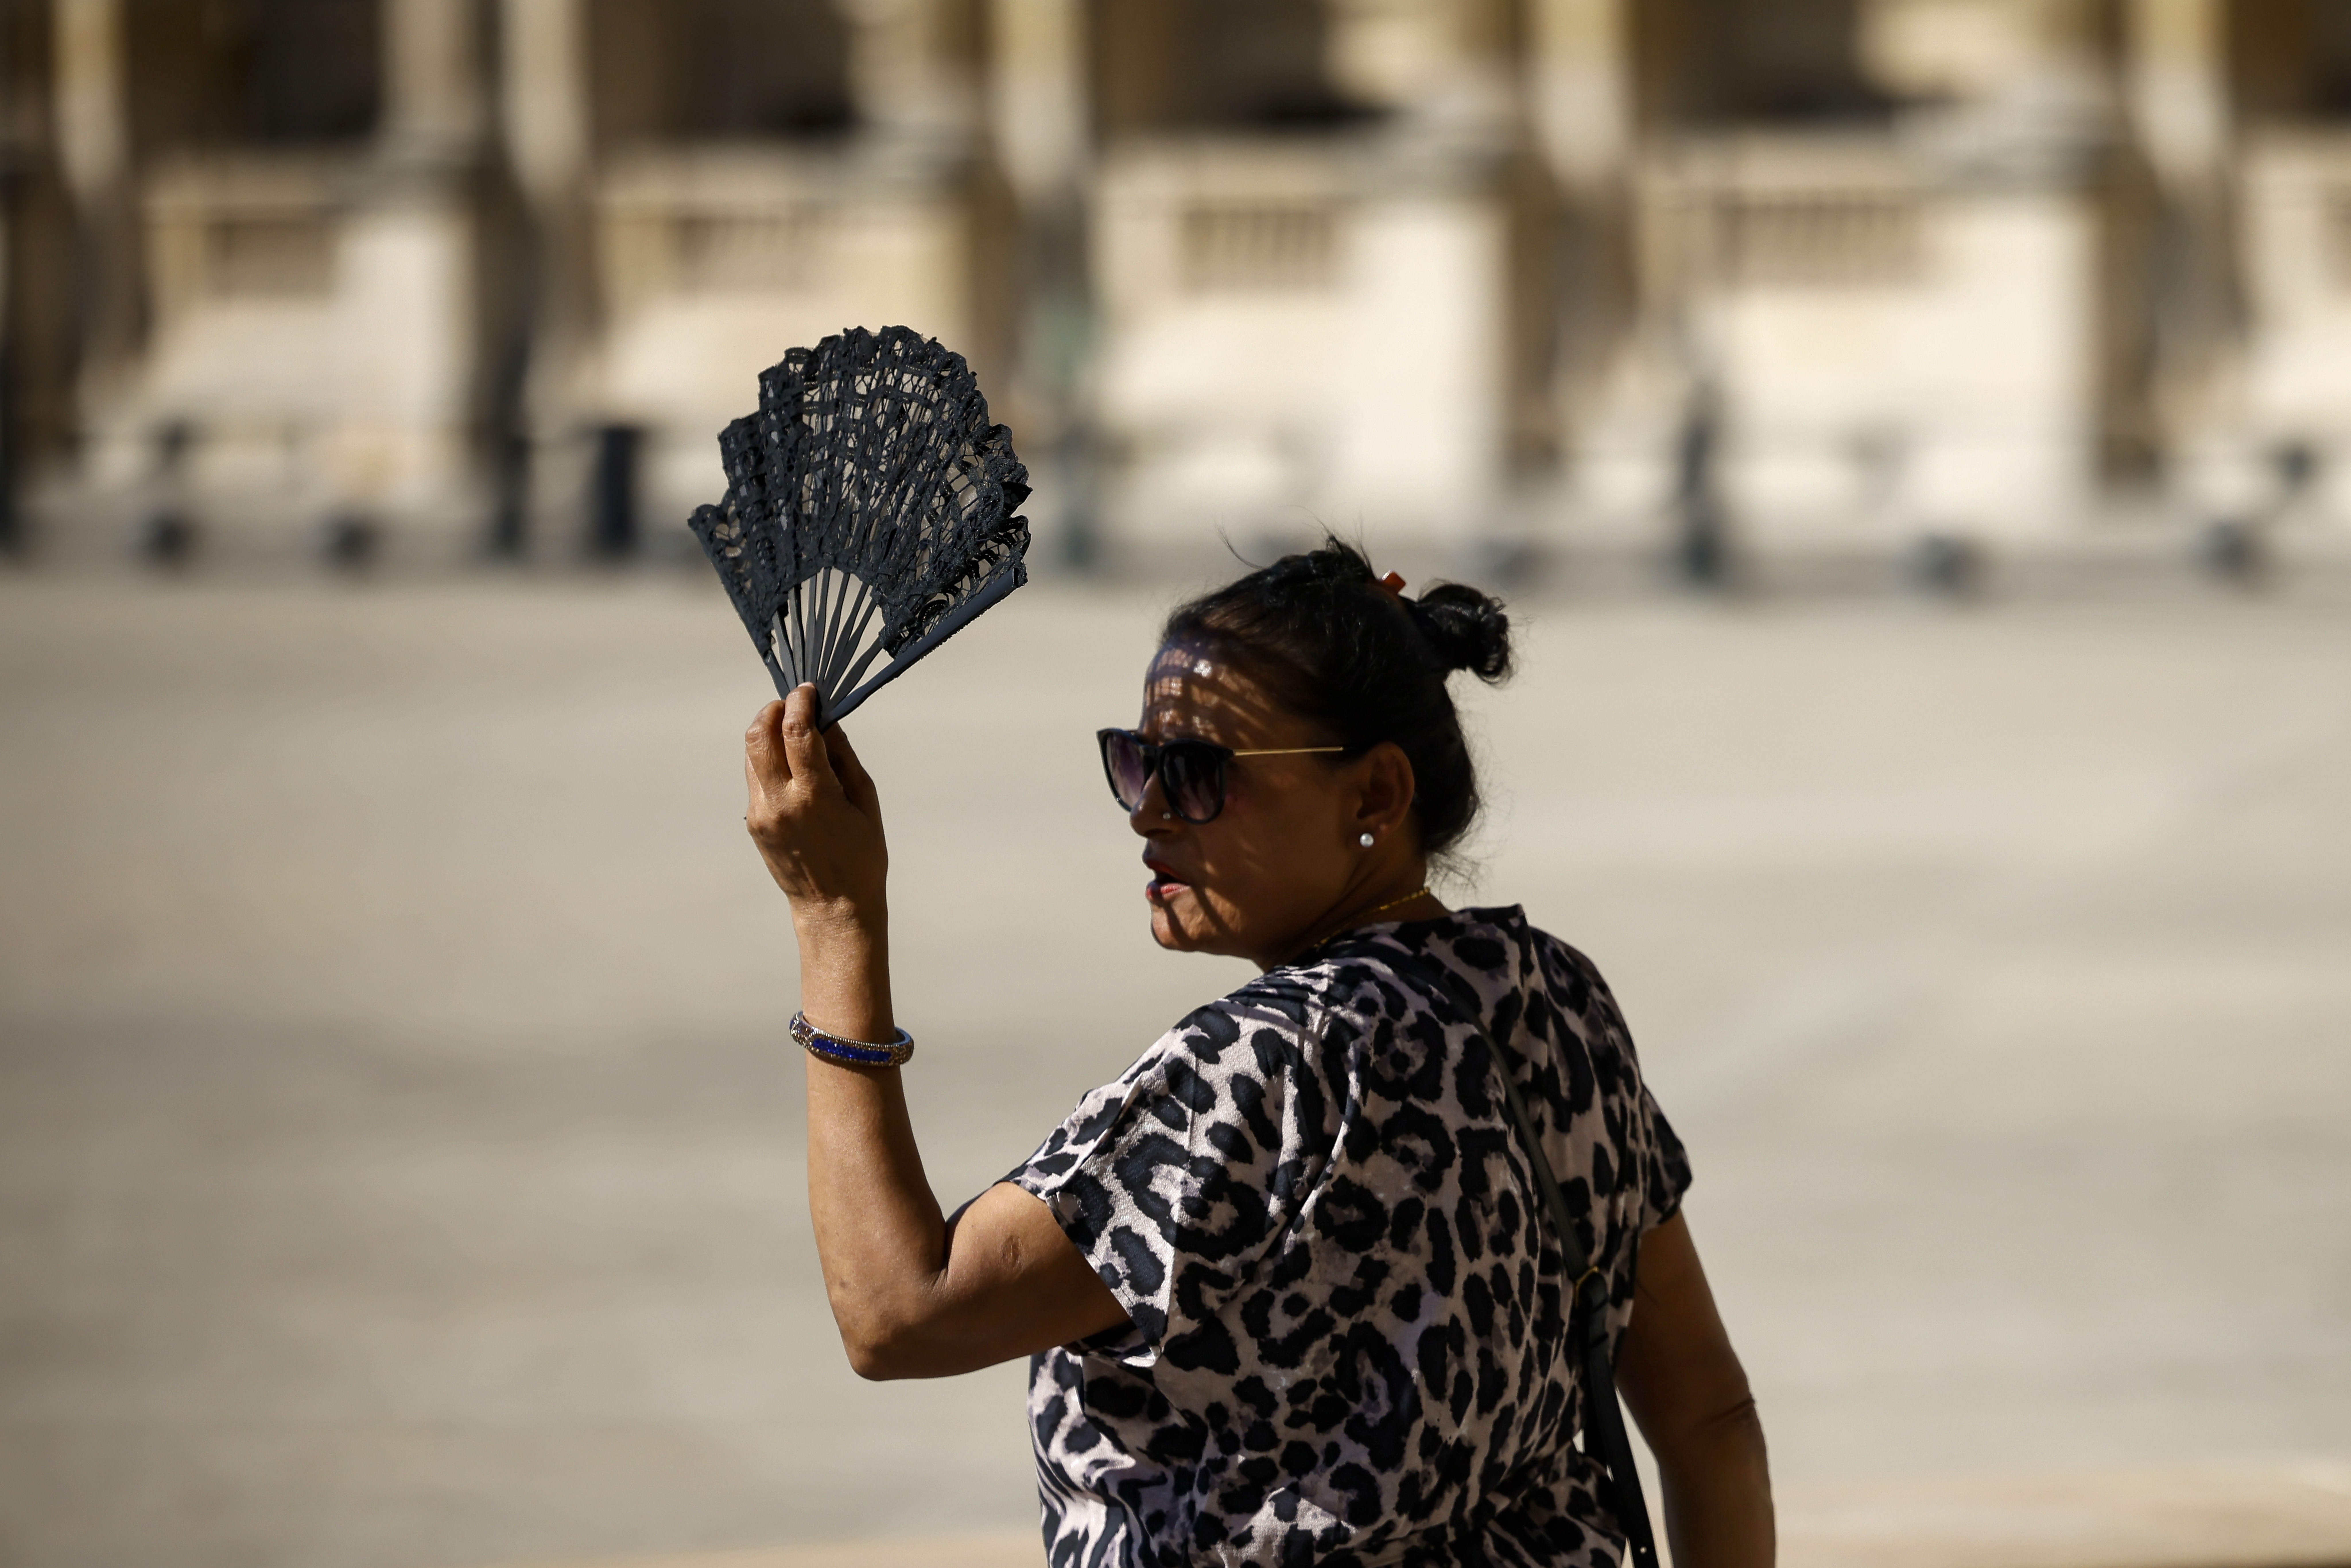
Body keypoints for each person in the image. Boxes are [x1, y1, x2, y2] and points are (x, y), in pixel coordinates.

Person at [742, 541, 1774, 1567]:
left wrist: (837, 921)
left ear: (1374, 796)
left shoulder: (1268, 1065)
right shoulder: (1553, 998)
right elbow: (1708, 1417)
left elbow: (898, 1315)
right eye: (1136, 760)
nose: (1148, 810)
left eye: (1198, 775)